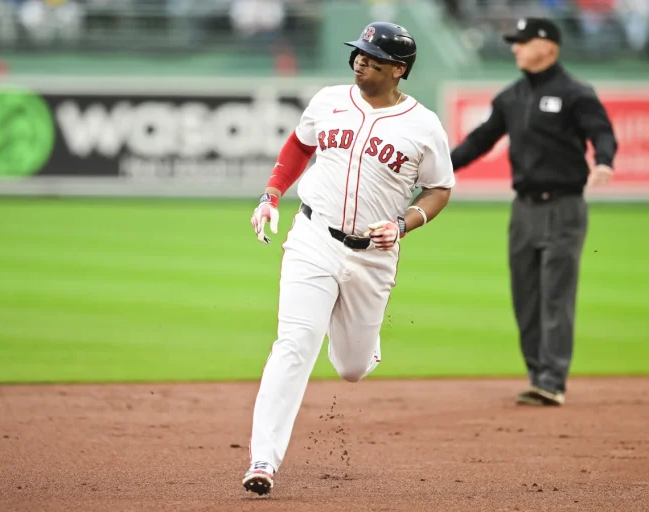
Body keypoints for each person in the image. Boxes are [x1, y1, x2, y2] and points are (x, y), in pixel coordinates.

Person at [243, 22, 455, 495]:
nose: (361, 59)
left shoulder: (424, 126)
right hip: (313, 237)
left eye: (373, 55)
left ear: (399, 70)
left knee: (352, 367)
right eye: (359, 51)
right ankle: (263, 459)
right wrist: (272, 193)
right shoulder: (328, 100)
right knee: (295, 344)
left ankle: (362, 343)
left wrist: (405, 222)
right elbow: (299, 145)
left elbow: (440, 188)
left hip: (374, 255)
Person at [450, 17, 618, 407]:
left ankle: (552, 379)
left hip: (564, 206)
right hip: (523, 209)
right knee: (525, 296)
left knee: (556, 294)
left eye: (523, 42)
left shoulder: (576, 92)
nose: (515, 48)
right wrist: (438, 170)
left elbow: (602, 131)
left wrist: (605, 161)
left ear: (549, 46)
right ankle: (537, 375)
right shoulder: (511, 96)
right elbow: (478, 141)